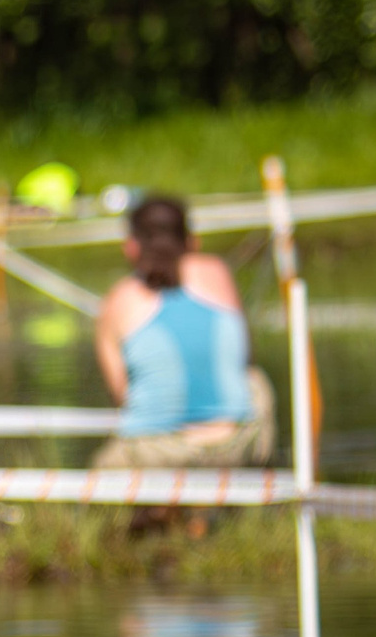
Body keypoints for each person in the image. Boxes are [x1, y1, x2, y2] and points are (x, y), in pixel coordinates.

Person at [92, 194, 274, 529]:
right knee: (255, 382)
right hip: (237, 442)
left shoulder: (117, 302)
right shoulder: (217, 272)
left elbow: (123, 396)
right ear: (192, 241)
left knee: (103, 477)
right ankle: (204, 510)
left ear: (130, 246)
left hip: (158, 451)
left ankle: (165, 510)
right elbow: (244, 357)